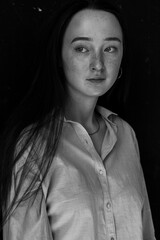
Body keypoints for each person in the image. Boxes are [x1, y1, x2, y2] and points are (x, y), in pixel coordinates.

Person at [0, 0, 156, 239]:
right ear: (59, 56)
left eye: (110, 48)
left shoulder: (126, 134)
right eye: (82, 48)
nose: (98, 64)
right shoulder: (33, 144)